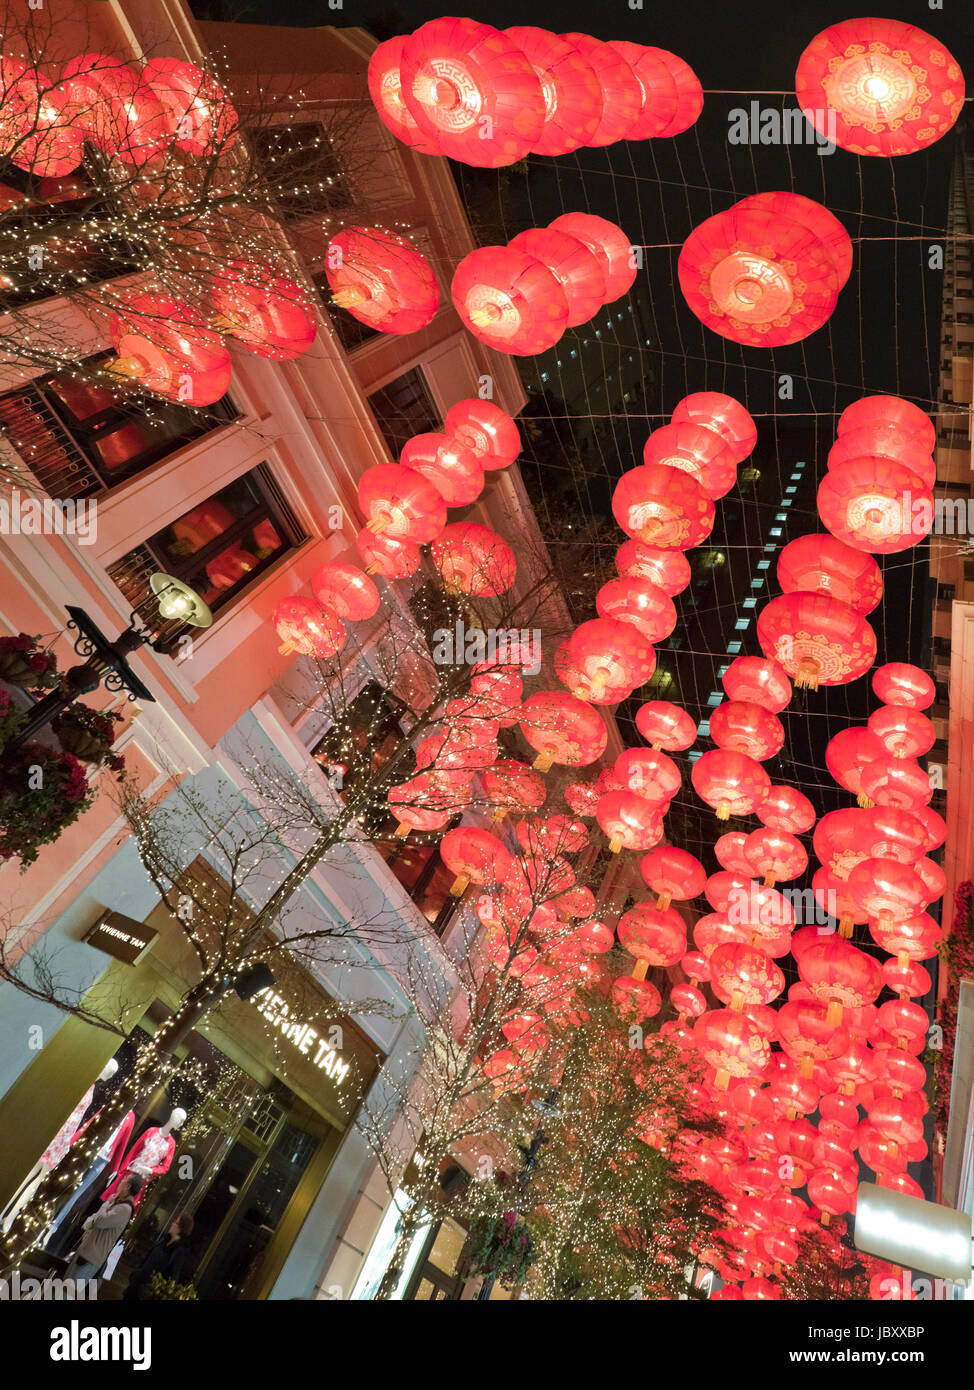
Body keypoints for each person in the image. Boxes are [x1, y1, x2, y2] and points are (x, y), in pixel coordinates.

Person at [64, 1174, 143, 1281]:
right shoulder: (117, 1201)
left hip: (91, 1258)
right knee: (64, 1287)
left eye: (124, 1179)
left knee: (68, 1293)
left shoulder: (124, 1208)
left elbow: (99, 1221)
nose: (121, 1181)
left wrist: (106, 1204)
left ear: (128, 1186)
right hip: (84, 1251)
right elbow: (93, 1219)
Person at [122, 1215, 195, 1300]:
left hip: (146, 1294)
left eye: (176, 1222)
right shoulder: (164, 1240)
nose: (172, 1223)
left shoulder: (178, 1251)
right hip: (135, 1287)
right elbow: (147, 1259)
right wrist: (135, 1274)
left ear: (181, 1228)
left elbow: (172, 1278)